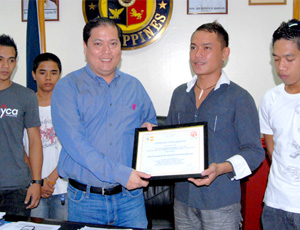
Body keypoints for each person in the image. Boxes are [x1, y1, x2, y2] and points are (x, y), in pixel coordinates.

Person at [51, 17, 157, 229]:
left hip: (131, 200)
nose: (107, 51)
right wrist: (120, 173)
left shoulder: (134, 86)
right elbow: (77, 145)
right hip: (86, 202)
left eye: (113, 43)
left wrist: (150, 131)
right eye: (98, 43)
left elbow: (150, 121)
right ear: (85, 46)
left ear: (120, 47)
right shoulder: (67, 88)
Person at [165, 21, 265, 230]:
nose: (197, 54)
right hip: (183, 200)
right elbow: (170, 142)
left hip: (221, 203)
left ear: (224, 53)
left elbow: (255, 152)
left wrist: (222, 168)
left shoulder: (240, 97)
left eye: (206, 47)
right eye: (193, 47)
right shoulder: (179, 95)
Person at [259, 19, 300, 230]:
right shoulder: (270, 99)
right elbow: (272, 151)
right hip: (275, 205)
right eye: (276, 59)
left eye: (289, 59)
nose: (281, 67)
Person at [0, 34, 43, 216]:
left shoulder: (26, 96)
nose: (5, 66)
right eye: (0, 59)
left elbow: (34, 141)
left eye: (11, 60)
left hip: (16, 189)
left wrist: (36, 182)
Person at [23, 53, 68, 220]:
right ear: (34, 75)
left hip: (62, 186)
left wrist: (50, 180)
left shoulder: (67, 106)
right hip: (33, 187)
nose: (48, 77)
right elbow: (20, 149)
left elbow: (73, 147)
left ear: (59, 75)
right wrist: (38, 181)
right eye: (42, 72)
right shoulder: (25, 106)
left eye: (53, 73)